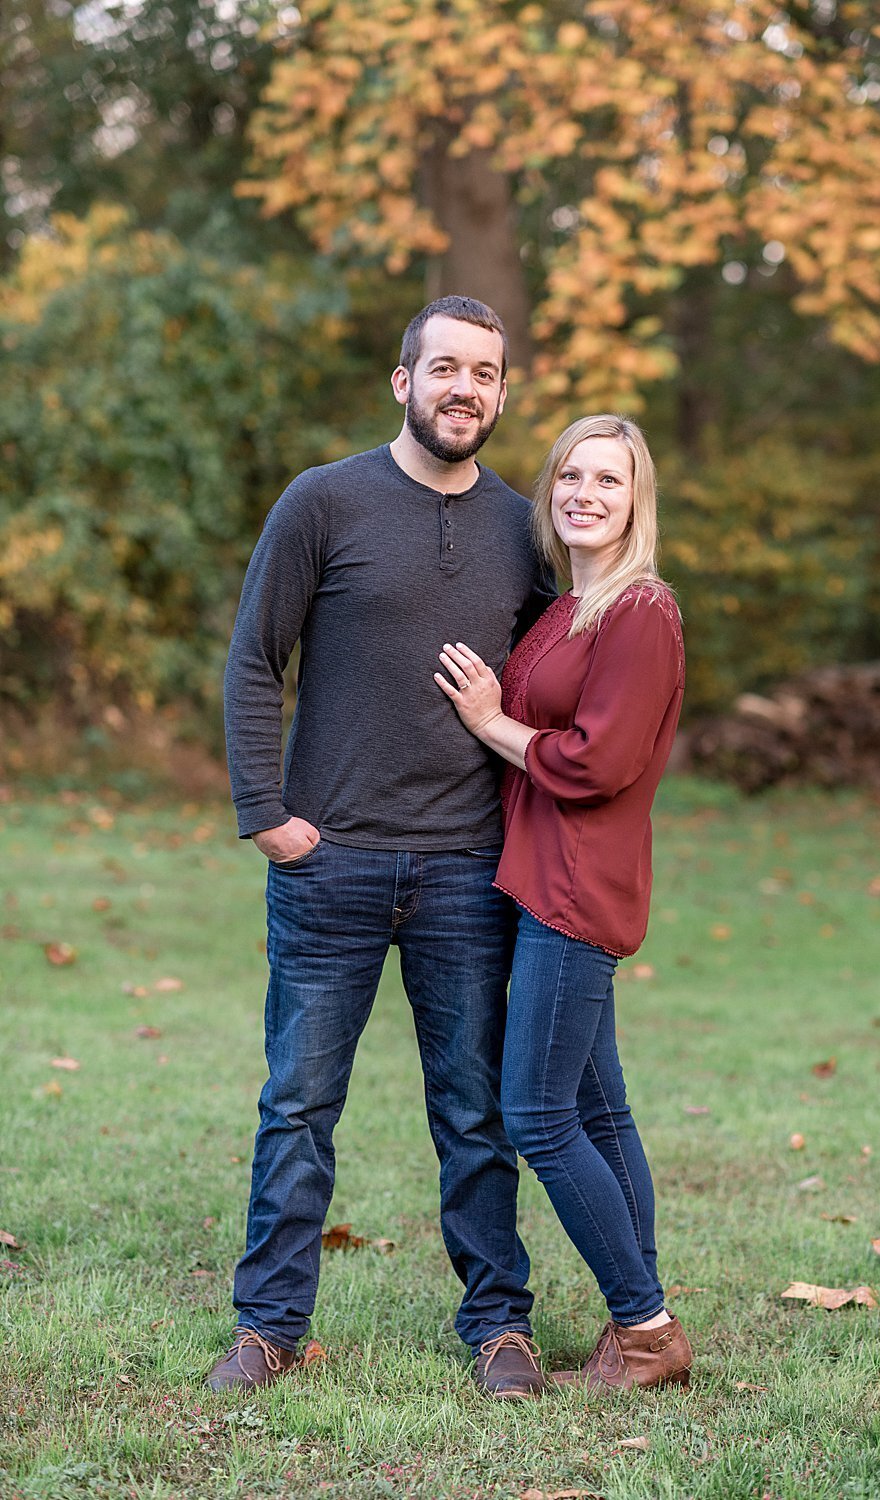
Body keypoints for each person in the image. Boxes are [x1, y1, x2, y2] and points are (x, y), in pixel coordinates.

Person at [209, 296, 553, 1400]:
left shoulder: (518, 529)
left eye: (484, 373)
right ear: (401, 381)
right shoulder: (324, 501)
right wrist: (265, 810)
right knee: (299, 1104)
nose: (464, 388)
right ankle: (269, 1326)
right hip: (331, 860)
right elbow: (255, 660)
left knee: (473, 1110)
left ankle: (499, 1327)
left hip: (465, 867)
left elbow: (554, 681)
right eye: (443, 367)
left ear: (502, 394)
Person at [434, 413, 692, 1391]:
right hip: (542, 874)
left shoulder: (639, 611)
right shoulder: (566, 607)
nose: (585, 493)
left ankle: (644, 1326)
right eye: (571, 476)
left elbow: (597, 762)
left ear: (637, 503)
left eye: (609, 481)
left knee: (538, 1114)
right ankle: (646, 1325)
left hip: (575, 887)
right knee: (599, 1107)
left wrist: (493, 722)